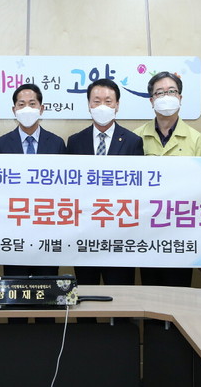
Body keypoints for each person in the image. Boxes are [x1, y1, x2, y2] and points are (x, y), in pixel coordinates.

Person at [66, 79, 143, 289]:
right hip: (85, 234)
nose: (102, 106)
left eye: (108, 101)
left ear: (117, 105)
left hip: (119, 234)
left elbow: (137, 189)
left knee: (121, 292)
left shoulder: (133, 141)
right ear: (88, 105)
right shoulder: (75, 141)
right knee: (85, 291)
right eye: (96, 101)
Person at [134, 71, 201, 288]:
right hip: (146, 230)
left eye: (171, 91)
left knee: (179, 293)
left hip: (181, 232)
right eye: (160, 93)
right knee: (150, 291)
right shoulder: (135, 137)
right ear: (151, 100)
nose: (166, 97)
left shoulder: (197, 139)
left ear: (180, 98)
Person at [0, 83, 66, 279]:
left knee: (47, 284)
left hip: (47, 230)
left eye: (32, 104)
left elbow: (63, 190)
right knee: (15, 285)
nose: (27, 109)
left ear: (41, 108)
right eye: (21, 104)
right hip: (14, 230)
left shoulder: (57, 143)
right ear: (14, 110)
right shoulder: (1, 144)